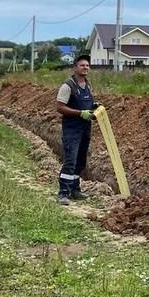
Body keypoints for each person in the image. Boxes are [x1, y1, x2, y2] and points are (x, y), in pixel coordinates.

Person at [55, 54, 97, 205]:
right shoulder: (68, 86)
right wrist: (80, 113)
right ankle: (63, 193)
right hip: (72, 129)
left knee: (80, 161)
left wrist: (94, 108)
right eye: (82, 65)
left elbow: (88, 103)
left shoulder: (87, 84)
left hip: (85, 128)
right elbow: (60, 107)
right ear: (75, 68)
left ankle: (75, 190)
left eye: (87, 65)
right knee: (70, 161)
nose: (85, 68)